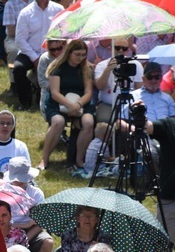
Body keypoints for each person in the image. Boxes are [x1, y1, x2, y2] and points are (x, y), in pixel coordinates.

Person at [40, 39, 95, 171]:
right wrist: (70, 105)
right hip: (58, 103)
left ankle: (79, 159)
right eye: (77, 54)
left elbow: (88, 92)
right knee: (58, 121)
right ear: (69, 53)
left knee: (88, 122)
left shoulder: (86, 68)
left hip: (80, 103)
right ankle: (44, 158)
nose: (80, 58)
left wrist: (78, 104)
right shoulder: (57, 67)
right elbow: (54, 93)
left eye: (83, 55)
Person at [143, 109, 175, 252]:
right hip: (169, 198)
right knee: (163, 243)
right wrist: (140, 114)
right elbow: (149, 127)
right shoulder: (169, 124)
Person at [12, 0, 63, 110]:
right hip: (29, 52)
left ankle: (45, 97)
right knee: (18, 68)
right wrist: (35, 57)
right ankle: (25, 101)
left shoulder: (59, 10)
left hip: (52, 52)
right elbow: (20, 39)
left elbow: (64, 33)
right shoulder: (25, 12)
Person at [94, 39, 143, 124]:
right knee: (104, 123)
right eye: (117, 48)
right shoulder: (102, 65)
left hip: (129, 104)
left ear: (128, 50)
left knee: (132, 123)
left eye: (124, 48)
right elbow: (100, 86)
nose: (121, 50)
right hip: (108, 104)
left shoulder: (135, 65)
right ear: (111, 48)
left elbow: (139, 88)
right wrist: (108, 69)